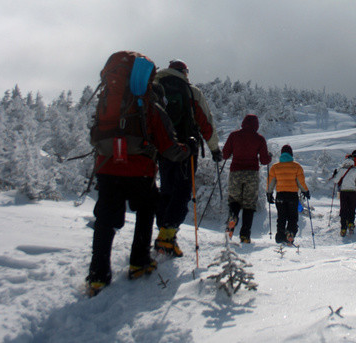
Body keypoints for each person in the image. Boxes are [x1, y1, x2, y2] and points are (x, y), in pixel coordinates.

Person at [87, 56, 190, 296]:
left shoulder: (109, 103)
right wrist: (189, 148)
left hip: (106, 168)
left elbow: (94, 136)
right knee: (147, 208)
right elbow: (170, 149)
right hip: (138, 171)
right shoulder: (152, 108)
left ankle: (97, 277)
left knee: (105, 219)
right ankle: (139, 261)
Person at [153, 59, 222, 257]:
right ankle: (167, 236)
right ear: (184, 72)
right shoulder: (192, 92)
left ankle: (164, 235)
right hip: (186, 148)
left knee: (166, 191)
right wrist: (214, 149)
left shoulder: (156, 89)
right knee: (182, 193)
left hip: (163, 150)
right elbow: (205, 122)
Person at [222, 114, 271, 243]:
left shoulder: (234, 135)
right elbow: (265, 160)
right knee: (249, 205)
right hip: (252, 174)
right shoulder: (259, 139)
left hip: (235, 173)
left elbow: (225, 154)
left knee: (234, 201)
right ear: (256, 125)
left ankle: (231, 224)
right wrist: (270, 156)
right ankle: (245, 236)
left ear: (243, 122)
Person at [266, 145, 310, 244]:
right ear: (291, 154)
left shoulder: (275, 167)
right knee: (292, 217)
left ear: (281, 154)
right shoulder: (296, 166)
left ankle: (280, 236)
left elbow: (270, 182)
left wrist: (269, 194)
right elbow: (301, 182)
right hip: (292, 196)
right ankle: (290, 233)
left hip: (280, 196)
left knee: (281, 217)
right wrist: (305, 191)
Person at [332, 150, 356, 237]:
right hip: (353, 192)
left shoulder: (341, 169)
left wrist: (335, 174)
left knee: (344, 209)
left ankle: (343, 227)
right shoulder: (355, 170)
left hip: (343, 192)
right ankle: (351, 223)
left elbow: (335, 180)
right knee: (352, 209)